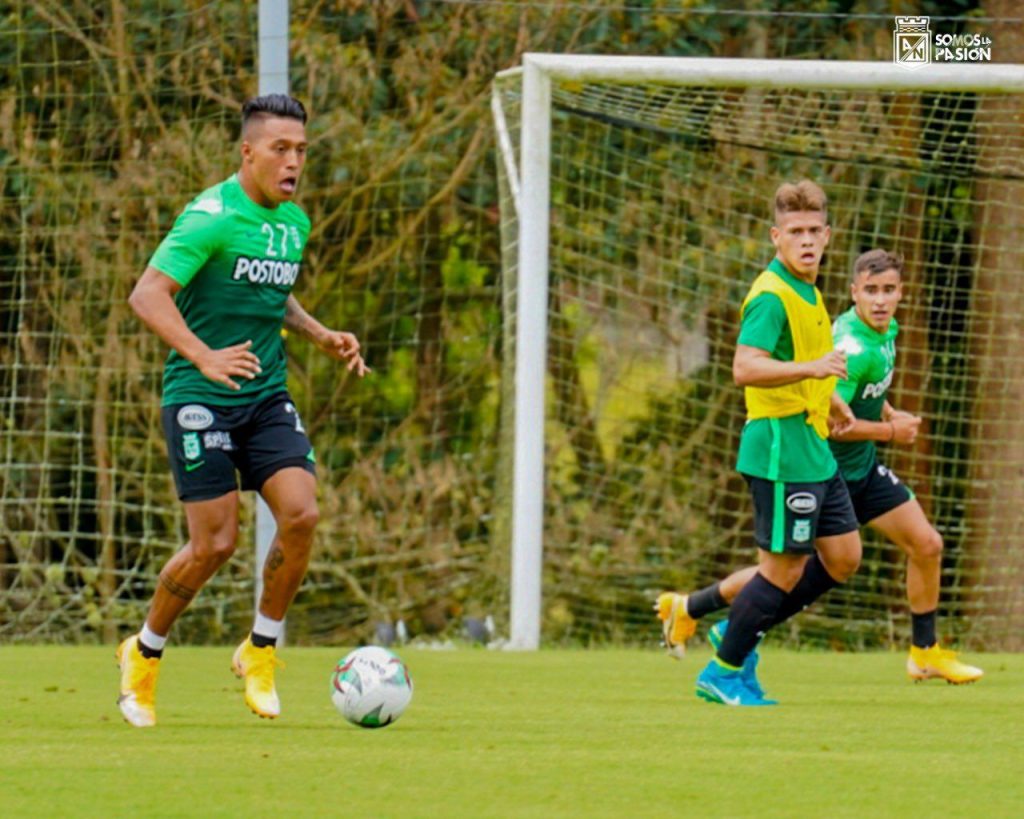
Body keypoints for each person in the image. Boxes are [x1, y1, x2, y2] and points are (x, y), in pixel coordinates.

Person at [118, 94, 369, 728]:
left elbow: (270, 293)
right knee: (216, 545)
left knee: (302, 514)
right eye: (281, 150)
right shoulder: (209, 216)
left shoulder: (294, 222)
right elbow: (147, 295)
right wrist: (203, 356)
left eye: (302, 152)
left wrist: (318, 332)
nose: (294, 163)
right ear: (248, 152)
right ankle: (143, 653)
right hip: (199, 399)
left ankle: (259, 651)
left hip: (263, 395)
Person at [657, 249, 983, 685]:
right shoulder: (850, 346)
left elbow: (863, 391)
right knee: (784, 571)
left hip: (862, 471)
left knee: (926, 544)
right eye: (871, 291)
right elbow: (833, 423)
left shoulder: (884, 333)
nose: (881, 300)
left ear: (902, 293)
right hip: (828, 472)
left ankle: (925, 652)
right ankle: (706, 616)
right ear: (854, 293)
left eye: (889, 290)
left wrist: (886, 413)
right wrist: (890, 433)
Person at [657, 179, 863, 706]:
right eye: (795, 232)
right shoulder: (770, 296)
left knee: (842, 557)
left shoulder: (810, 292)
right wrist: (815, 368)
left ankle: (739, 628)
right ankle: (724, 671)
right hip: (778, 445)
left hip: (810, 440)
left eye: (815, 231)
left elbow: (805, 366)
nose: (807, 240)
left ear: (828, 235)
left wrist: (829, 396)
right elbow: (745, 367)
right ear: (776, 237)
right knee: (782, 569)